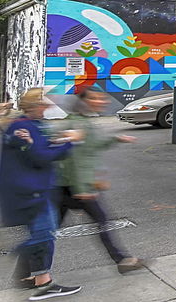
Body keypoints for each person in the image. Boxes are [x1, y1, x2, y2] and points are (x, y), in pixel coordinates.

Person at [0, 87, 84, 300]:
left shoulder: (29, 125)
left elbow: (38, 147)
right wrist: (72, 142)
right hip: (30, 191)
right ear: (34, 107)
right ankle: (23, 254)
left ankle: (42, 281)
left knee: (45, 233)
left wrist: (60, 140)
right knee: (44, 234)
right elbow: (40, 156)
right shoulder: (23, 127)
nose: (48, 107)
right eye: (44, 104)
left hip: (33, 189)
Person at [55, 88, 145, 275]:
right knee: (101, 220)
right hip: (72, 186)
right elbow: (73, 158)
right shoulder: (76, 123)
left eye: (102, 98)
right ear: (83, 102)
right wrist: (82, 188)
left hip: (70, 185)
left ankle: (29, 270)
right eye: (95, 98)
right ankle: (122, 260)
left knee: (50, 229)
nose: (101, 101)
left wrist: (117, 138)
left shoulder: (83, 121)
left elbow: (92, 145)